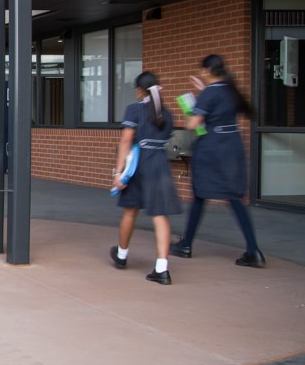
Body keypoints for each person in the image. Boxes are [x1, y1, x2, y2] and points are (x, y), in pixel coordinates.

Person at [170, 54, 265, 268]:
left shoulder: (209, 93)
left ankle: (186, 245)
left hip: (211, 149)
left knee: (199, 195)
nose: (201, 73)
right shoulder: (230, 90)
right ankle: (253, 250)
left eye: (203, 70)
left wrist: (191, 104)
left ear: (208, 71)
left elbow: (192, 124)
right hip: (232, 146)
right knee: (234, 197)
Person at [110, 72, 181, 285]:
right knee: (160, 215)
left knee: (130, 212)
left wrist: (118, 172)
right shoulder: (167, 115)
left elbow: (126, 142)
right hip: (159, 164)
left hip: (138, 165)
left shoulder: (134, 110)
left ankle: (121, 256)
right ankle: (162, 269)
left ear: (139, 91)